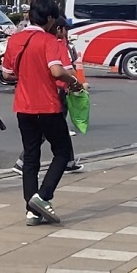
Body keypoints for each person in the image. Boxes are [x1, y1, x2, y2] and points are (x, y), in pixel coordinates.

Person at [1, 0, 81, 226]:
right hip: (47, 105)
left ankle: (31, 210)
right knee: (63, 152)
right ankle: (43, 196)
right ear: (48, 18)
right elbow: (56, 71)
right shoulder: (49, 41)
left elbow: (7, 74)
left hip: (23, 106)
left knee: (31, 157)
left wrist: (26, 75)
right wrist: (73, 81)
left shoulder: (15, 40)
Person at [12, 16, 85, 174]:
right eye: (65, 29)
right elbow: (63, 70)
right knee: (52, 134)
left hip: (30, 99)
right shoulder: (55, 43)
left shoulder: (24, 40)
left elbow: (8, 73)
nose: (66, 33)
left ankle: (68, 161)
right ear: (58, 29)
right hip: (53, 95)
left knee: (58, 132)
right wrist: (76, 82)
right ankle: (23, 162)